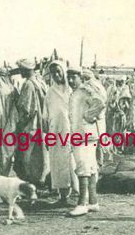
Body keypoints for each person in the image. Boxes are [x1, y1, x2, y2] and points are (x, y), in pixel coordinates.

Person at [67, 66, 105, 216]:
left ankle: (82, 203)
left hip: (84, 135)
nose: (70, 80)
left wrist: (88, 116)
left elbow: (100, 103)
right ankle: (93, 202)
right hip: (84, 134)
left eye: (73, 77)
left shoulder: (84, 91)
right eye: (68, 77)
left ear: (80, 77)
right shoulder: (76, 93)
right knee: (90, 167)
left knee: (83, 166)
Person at [44, 60, 78, 205]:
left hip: (69, 131)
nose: (57, 75)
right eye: (53, 73)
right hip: (55, 131)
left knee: (72, 163)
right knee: (57, 164)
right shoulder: (50, 92)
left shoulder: (71, 91)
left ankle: (77, 194)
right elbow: (45, 114)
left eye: (59, 71)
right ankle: (62, 196)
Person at [14, 59, 49, 185]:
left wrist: (20, 124)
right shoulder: (40, 82)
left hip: (30, 125)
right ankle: (40, 179)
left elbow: (26, 109)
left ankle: (29, 181)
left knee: (26, 156)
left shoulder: (28, 84)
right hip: (40, 124)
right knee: (39, 154)